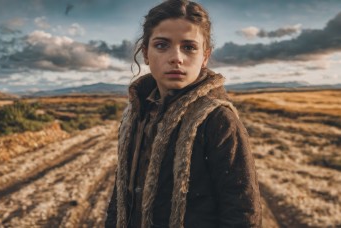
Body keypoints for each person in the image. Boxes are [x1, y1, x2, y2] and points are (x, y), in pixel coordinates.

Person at [105, 0, 262, 227]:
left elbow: (242, 211)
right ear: (145, 54)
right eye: (161, 45)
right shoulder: (136, 113)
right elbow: (121, 192)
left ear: (205, 57)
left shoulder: (217, 119)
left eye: (189, 47)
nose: (176, 57)